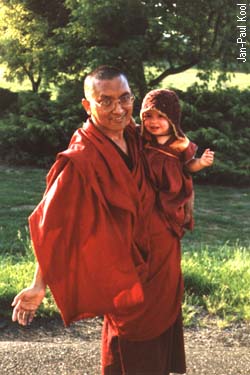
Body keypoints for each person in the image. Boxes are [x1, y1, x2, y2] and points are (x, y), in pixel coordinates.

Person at [12, 66, 187, 375]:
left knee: (156, 359)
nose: (118, 109)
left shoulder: (138, 137)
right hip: (128, 277)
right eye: (105, 101)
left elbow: (177, 160)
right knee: (128, 354)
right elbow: (53, 224)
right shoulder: (82, 158)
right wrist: (39, 285)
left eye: (124, 98)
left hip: (162, 271)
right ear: (87, 105)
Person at [140, 88, 214, 239]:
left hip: (171, 192)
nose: (154, 121)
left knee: (166, 228)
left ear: (172, 119)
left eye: (161, 116)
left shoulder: (179, 142)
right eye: (148, 116)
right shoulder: (142, 139)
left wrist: (201, 163)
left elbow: (187, 166)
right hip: (148, 190)